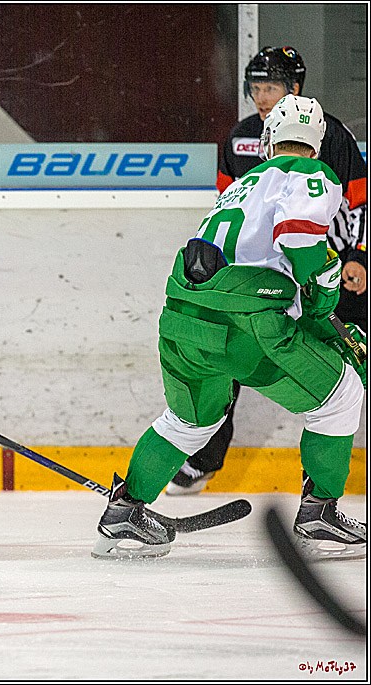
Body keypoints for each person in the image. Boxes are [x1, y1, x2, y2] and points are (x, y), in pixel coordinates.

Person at [93, 95, 366, 560]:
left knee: (190, 420)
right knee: (341, 396)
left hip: (184, 317)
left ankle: (126, 511)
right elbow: (300, 244)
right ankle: (319, 513)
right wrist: (325, 311)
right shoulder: (315, 175)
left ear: (268, 139)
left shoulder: (241, 186)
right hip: (247, 325)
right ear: (316, 143)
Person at [167, 46, 368, 495]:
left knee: (353, 365)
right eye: (256, 86)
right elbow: (227, 207)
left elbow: (359, 201)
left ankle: (323, 484)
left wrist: (358, 256)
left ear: (294, 88)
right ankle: (204, 459)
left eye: (271, 86)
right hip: (269, 282)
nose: (262, 95)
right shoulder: (239, 138)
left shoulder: (330, 134)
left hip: (328, 270)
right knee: (229, 358)